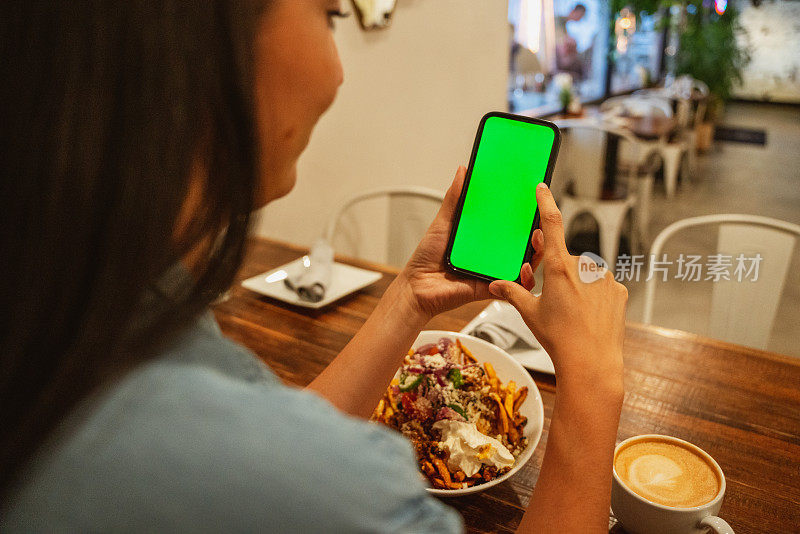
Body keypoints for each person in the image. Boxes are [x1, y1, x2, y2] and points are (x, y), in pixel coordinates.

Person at [0, 1, 627, 532]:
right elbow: (288, 469)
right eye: (329, 13)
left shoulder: (84, 298)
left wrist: (409, 296)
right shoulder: (337, 492)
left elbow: (276, 449)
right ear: (201, 41)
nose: (338, 75)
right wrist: (594, 380)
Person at [555, 3, 587, 80]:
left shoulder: (564, 25)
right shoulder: (557, 21)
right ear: (575, 11)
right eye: (581, 15)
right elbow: (557, 42)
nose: (580, 19)